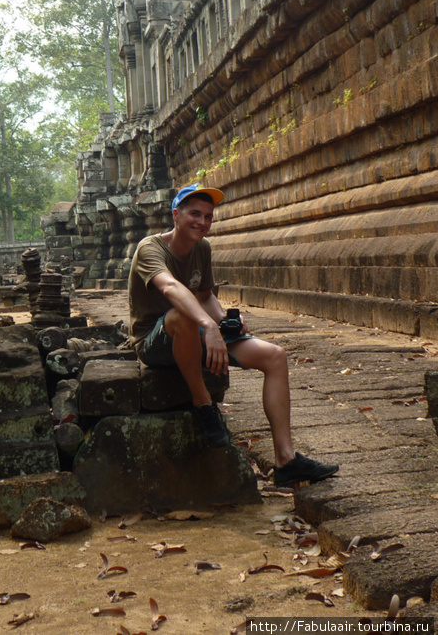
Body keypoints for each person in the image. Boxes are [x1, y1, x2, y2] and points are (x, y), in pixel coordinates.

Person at [128, 183, 339, 488]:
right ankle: (203, 404)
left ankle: (286, 460)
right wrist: (210, 327)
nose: (202, 222)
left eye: (208, 216)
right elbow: (171, 288)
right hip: (154, 341)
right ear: (176, 215)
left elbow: (205, 296)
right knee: (182, 318)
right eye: (194, 214)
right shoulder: (150, 248)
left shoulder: (202, 248)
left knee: (275, 357)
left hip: (196, 332)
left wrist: (227, 320)